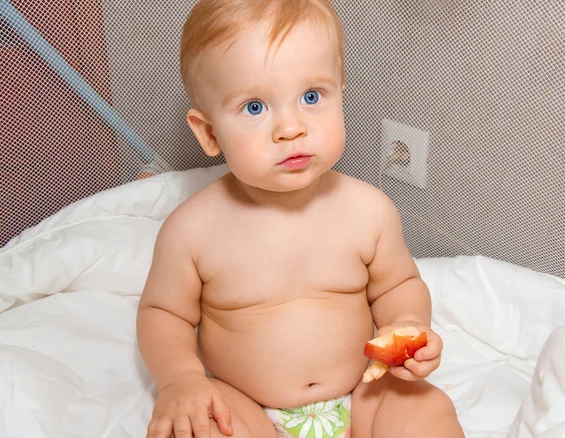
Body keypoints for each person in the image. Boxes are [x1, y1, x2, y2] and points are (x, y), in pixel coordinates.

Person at [137, 1, 464, 437]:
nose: (291, 128)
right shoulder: (192, 231)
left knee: (426, 411)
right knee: (198, 428)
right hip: (244, 404)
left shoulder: (368, 210)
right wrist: (181, 379)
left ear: (340, 92)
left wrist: (406, 325)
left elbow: (398, 284)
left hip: (365, 389)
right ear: (210, 132)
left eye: (312, 97)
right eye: (255, 107)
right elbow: (164, 314)